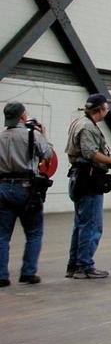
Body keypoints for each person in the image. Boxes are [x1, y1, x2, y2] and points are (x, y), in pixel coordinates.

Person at [65, 93, 111, 280]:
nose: (107, 112)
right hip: (88, 179)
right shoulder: (88, 127)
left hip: (78, 177)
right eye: (106, 108)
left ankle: (74, 265)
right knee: (91, 225)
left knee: (80, 225)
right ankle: (84, 266)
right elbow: (90, 153)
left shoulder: (78, 122)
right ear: (100, 110)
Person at [0, 103, 53, 287]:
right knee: (34, 232)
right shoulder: (33, 135)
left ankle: (1, 276)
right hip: (27, 188)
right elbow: (47, 155)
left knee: (2, 235)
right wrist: (43, 135)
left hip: (3, 187)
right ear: (23, 116)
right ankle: (28, 273)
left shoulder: (1, 137)